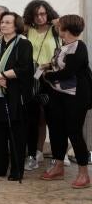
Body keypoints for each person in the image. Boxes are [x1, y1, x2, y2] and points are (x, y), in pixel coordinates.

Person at [39, 14, 91, 189]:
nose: (56, 27)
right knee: (56, 130)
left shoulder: (79, 47)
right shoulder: (64, 46)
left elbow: (68, 72)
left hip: (75, 97)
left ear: (65, 29)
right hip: (58, 95)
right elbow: (59, 65)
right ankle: (58, 167)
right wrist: (47, 65)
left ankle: (84, 174)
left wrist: (47, 75)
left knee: (74, 132)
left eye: (59, 26)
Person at [0, 11, 33, 181]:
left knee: (16, 134)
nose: (3, 25)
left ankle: (17, 170)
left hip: (15, 95)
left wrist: (1, 75)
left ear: (16, 25)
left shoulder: (24, 44)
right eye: (2, 22)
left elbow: (24, 68)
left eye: (8, 22)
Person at [22, 0, 61, 171]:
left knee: (53, 118)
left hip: (52, 77)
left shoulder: (55, 29)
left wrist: (55, 20)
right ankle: (33, 154)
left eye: (43, 13)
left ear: (49, 13)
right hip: (33, 78)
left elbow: (71, 26)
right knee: (33, 118)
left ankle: (57, 155)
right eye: (36, 14)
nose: (39, 17)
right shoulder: (28, 30)